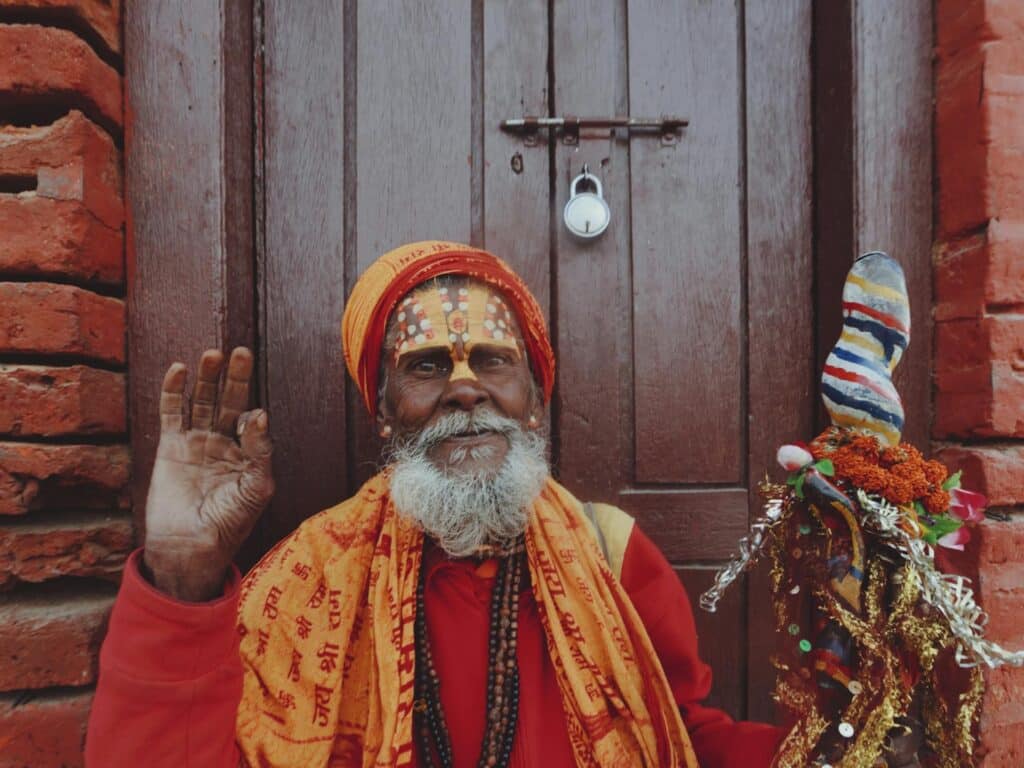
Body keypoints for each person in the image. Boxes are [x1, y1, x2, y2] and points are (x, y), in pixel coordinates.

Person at [85, 241, 784, 767]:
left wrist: (838, 740)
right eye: (426, 367)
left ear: (534, 402)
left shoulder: (615, 553)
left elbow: (679, 738)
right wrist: (181, 578)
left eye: (491, 360)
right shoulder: (310, 576)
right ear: (384, 415)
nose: (465, 389)